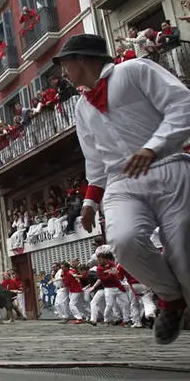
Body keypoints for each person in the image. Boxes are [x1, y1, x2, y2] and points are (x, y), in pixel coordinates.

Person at [54, 33, 190, 345]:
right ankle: (170, 299)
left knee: (184, 253)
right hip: (121, 181)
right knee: (124, 240)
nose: (64, 73)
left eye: (65, 65)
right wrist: (89, 201)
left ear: (82, 60)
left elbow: (183, 104)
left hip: (169, 165)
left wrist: (153, 147)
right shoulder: (81, 108)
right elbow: (94, 159)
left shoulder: (136, 70)